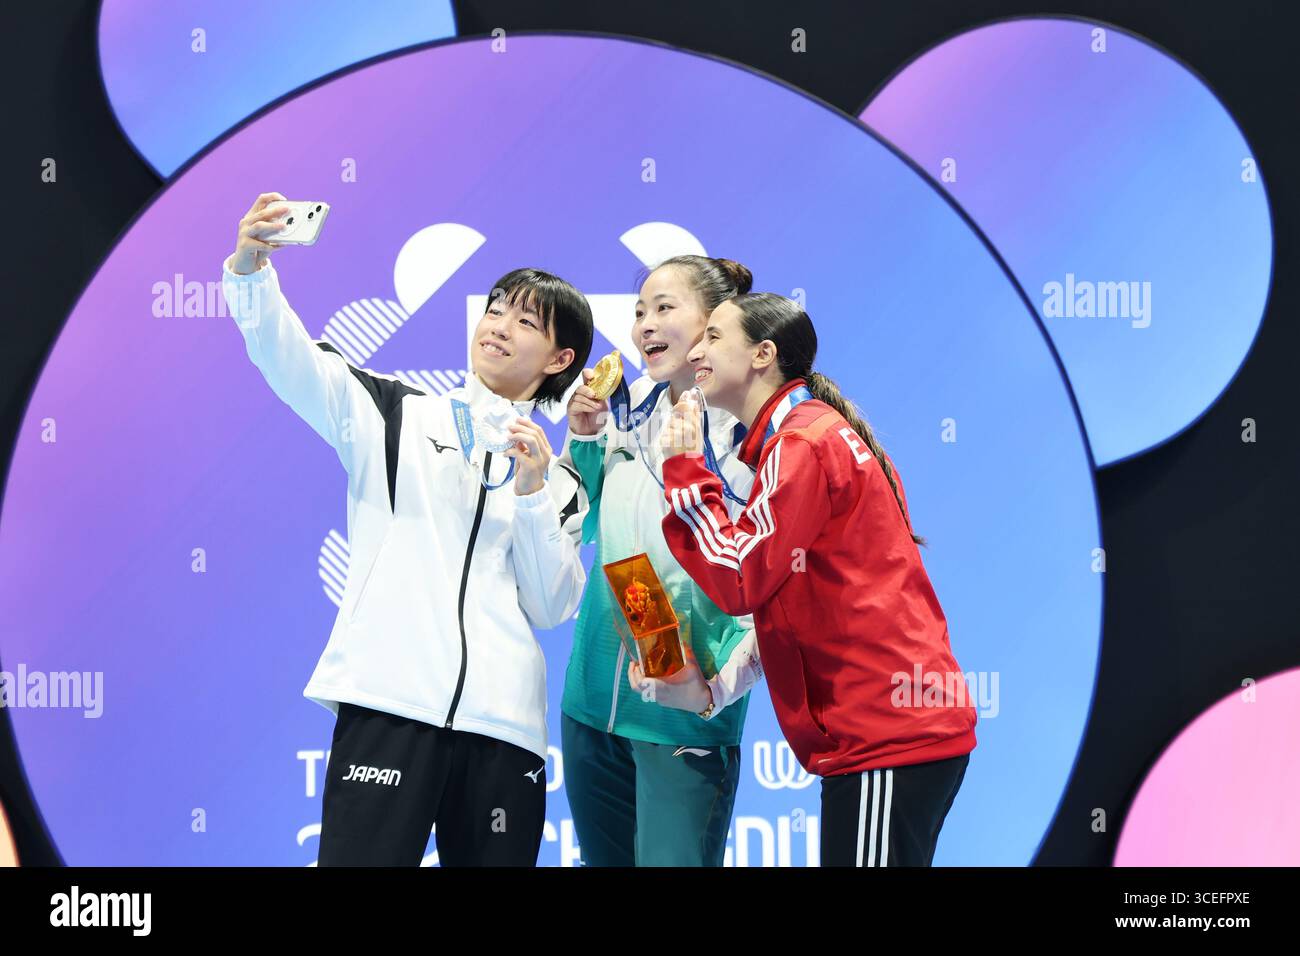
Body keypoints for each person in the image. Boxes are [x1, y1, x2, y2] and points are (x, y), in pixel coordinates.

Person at [221, 192, 593, 866]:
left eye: (527, 321)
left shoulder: (562, 482)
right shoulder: (394, 411)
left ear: (559, 360)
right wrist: (251, 269)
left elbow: (551, 604)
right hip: (389, 708)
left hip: (504, 732)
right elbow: (290, 361)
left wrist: (535, 491)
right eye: (496, 309)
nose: (500, 326)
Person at [653, 291, 977, 867]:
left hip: (886, 737)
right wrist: (716, 690)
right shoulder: (808, 435)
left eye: (715, 337)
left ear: (763, 355)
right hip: (888, 737)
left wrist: (684, 470)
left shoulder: (800, 443)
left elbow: (739, 579)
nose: (696, 350)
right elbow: (788, 601)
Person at [555, 256, 762, 866]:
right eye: (640, 310)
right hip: (593, 705)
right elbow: (585, 525)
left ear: (717, 322)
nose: (645, 323)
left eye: (665, 307)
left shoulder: (752, 439)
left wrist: (713, 691)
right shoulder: (624, 413)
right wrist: (585, 439)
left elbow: (767, 591)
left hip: (684, 721)